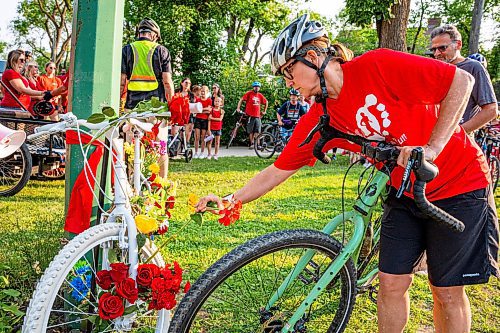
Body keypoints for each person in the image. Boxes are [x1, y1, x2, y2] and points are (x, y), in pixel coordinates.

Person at [196, 14, 499, 333]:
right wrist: (230, 199)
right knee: (390, 285)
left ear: (312, 57)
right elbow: (277, 169)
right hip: (405, 192)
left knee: (446, 291)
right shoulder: (322, 115)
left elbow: (462, 82)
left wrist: (432, 148)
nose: (289, 83)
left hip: (459, 184)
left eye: (288, 72)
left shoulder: (377, 66)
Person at [121, 17, 174, 178]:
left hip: (132, 106)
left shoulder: (127, 49)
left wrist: (118, 105)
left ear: (140, 34)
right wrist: (171, 106)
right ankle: (161, 184)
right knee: (160, 145)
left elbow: (122, 81)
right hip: (156, 107)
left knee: (131, 145)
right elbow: (167, 82)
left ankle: (131, 182)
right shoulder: (162, 50)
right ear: (154, 35)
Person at [430, 25, 497, 135]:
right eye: (434, 49)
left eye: (442, 48)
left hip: (459, 139)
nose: (436, 53)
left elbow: (491, 110)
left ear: (458, 45)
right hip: (434, 137)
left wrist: (458, 132)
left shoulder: (473, 67)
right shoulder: (436, 69)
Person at [236, 81, 268, 148]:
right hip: (250, 115)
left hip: (257, 116)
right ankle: (252, 143)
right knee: (251, 131)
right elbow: (241, 99)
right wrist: (238, 108)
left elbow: (266, 102)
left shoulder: (260, 95)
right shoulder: (249, 93)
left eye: (258, 87)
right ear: (253, 87)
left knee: (257, 130)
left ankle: (258, 145)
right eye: (255, 87)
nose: (256, 88)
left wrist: (264, 111)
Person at [193, 85, 212, 158]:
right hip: (198, 119)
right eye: (201, 91)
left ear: (207, 92)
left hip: (205, 120)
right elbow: (196, 110)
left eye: (204, 91)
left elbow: (209, 110)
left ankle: (202, 152)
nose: (203, 92)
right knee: (197, 137)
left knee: (203, 137)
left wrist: (201, 109)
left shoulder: (209, 100)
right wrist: (205, 109)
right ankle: (196, 152)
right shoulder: (197, 99)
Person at [207, 96, 224, 160]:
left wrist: (212, 118)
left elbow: (220, 119)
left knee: (217, 142)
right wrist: (208, 129)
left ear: (221, 103)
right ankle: (209, 154)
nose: (217, 102)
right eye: (215, 101)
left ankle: (216, 154)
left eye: (218, 101)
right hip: (211, 129)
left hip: (218, 129)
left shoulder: (221, 111)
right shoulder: (212, 110)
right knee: (210, 142)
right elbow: (209, 120)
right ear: (214, 102)